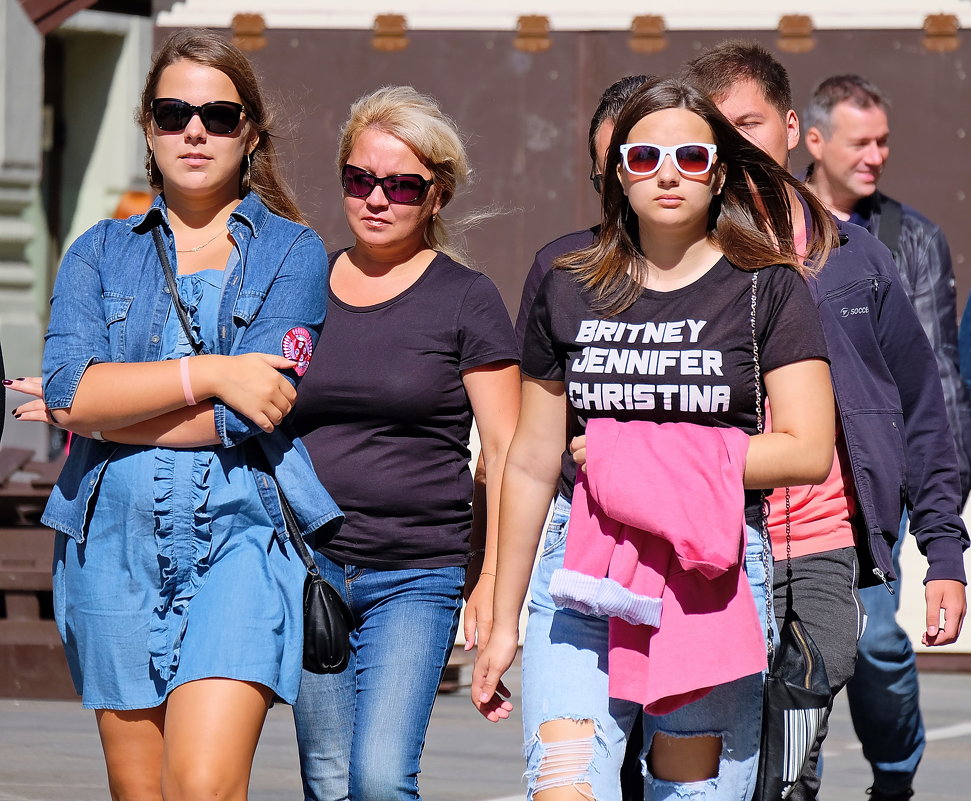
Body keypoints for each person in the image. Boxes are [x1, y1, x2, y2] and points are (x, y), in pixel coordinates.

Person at [472, 76, 839, 801]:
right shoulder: (564, 278)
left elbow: (806, 447)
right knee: (563, 785)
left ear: (720, 171)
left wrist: (633, 454)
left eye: (690, 157)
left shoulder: (767, 285)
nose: (667, 172)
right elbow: (531, 458)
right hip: (577, 571)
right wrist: (504, 618)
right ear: (616, 172)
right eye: (643, 156)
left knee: (690, 794)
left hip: (710, 575)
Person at [7, 29, 342, 801]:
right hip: (111, 544)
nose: (195, 131)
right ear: (148, 128)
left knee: (201, 785)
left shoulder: (292, 253)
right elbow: (67, 388)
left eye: (219, 116)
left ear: (250, 132)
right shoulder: (98, 251)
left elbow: (250, 416)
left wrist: (100, 412)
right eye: (173, 112)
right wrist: (211, 371)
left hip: (241, 537)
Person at [683, 42, 969, 801]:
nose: (732, 143)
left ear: (786, 127)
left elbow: (922, 409)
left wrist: (942, 551)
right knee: (717, 767)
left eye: (747, 122)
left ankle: (890, 777)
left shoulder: (860, 262)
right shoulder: (679, 263)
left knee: (793, 763)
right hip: (708, 543)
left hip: (824, 545)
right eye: (713, 128)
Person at [289, 86, 520, 801]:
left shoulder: (465, 298)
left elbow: (507, 453)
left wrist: (488, 583)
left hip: (416, 573)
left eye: (401, 185)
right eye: (360, 179)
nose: (377, 198)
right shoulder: (299, 284)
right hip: (308, 567)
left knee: (381, 777)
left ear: (437, 194)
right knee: (328, 779)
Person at [803, 72, 971, 801]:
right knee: (792, 656)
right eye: (859, 141)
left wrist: (942, 524)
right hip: (783, 480)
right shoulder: (757, 224)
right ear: (811, 141)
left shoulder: (909, 239)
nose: (875, 155)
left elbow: (935, 382)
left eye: (883, 142)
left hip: (876, 486)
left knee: (872, 640)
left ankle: (894, 778)